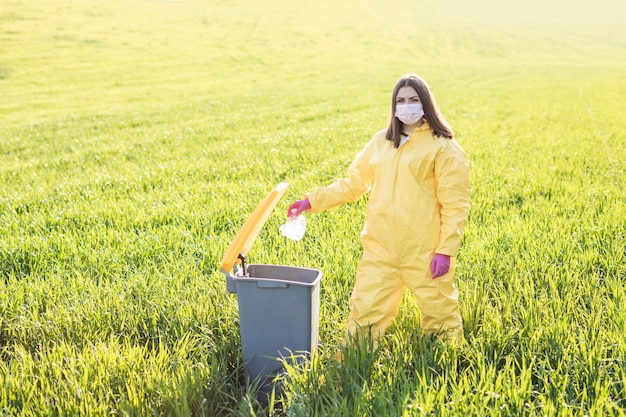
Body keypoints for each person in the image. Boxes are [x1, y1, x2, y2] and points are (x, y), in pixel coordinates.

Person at [288, 73, 470, 348]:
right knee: (365, 312)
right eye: (400, 100)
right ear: (393, 106)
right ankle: (350, 368)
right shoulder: (381, 142)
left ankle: (447, 365)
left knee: (440, 313)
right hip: (380, 248)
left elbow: (455, 205)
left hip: (424, 250)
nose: (406, 106)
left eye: (413, 100)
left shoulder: (443, 147)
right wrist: (311, 201)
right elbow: (353, 184)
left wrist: (445, 250)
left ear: (426, 104)